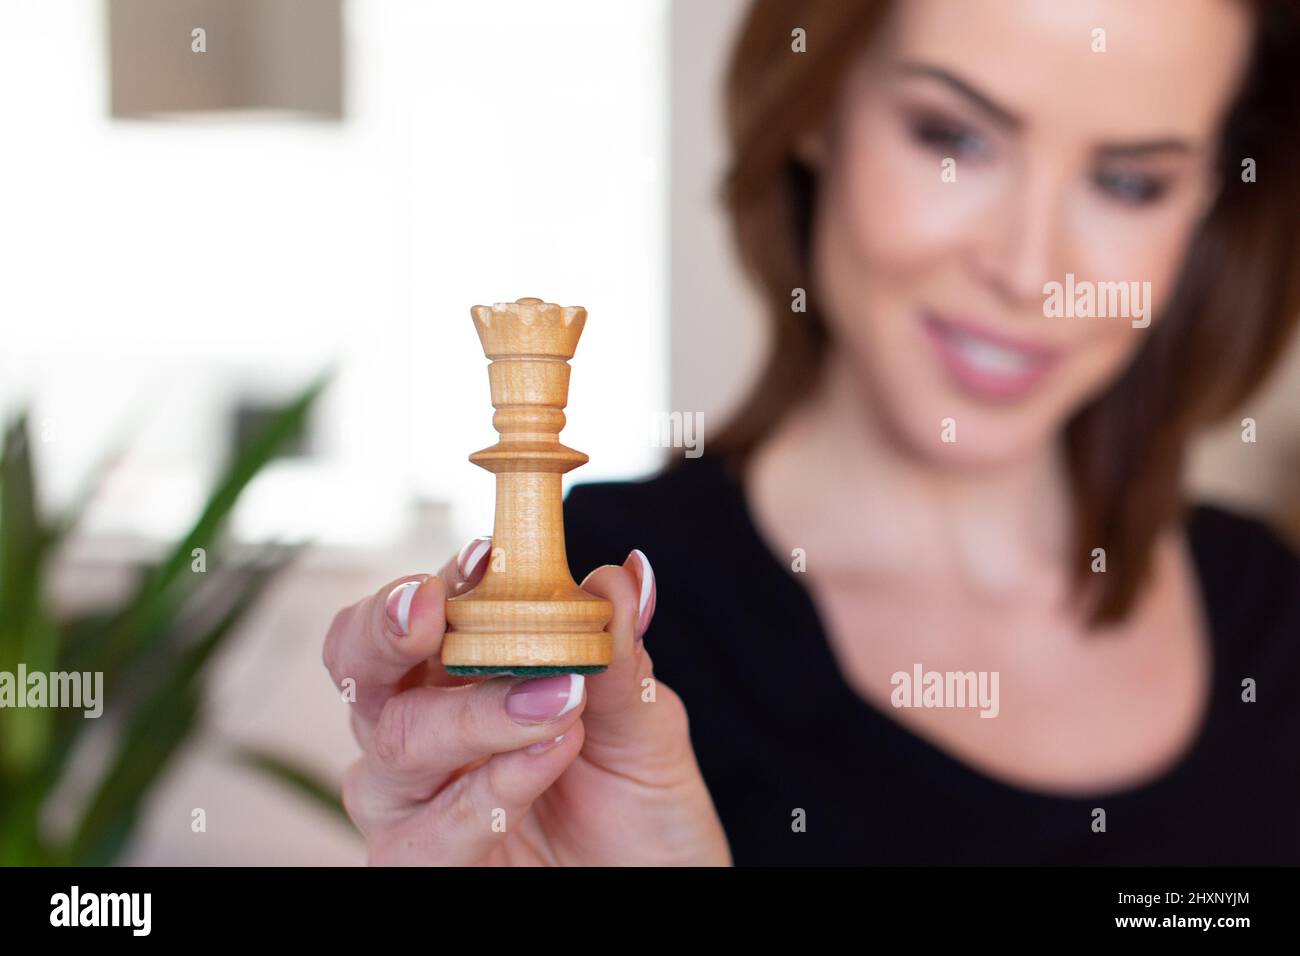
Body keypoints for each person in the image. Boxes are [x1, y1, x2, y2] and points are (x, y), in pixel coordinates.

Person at [323, 0, 1300, 865]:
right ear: (816, 110)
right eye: (951, 135)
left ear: (1217, 199)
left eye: (1130, 183)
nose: (1029, 267)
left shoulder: (1273, 610)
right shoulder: (598, 616)